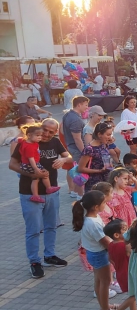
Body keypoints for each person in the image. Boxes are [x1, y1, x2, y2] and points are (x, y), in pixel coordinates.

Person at [10, 118, 71, 278]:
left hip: (52, 191)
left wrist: (64, 159)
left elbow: (69, 156)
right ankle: (34, 262)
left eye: (51, 132)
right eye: (45, 129)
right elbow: (12, 164)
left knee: (51, 226)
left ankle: (49, 255)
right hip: (30, 193)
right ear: (39, 127)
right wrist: (32, 173)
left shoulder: (55, 142)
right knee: (34, 229)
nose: (47, 134)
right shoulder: (26, 142)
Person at [72, 190, 112, 310]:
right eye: (104, 203)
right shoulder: (93, 223)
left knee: (99, 281)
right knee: (106, 282)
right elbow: (105, 241)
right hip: (99, 254)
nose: (106, 204)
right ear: (96, 206)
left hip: (93, 253)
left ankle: (103, 306)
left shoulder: (91, 217)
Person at [105, 219, 137, 310]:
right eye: (125, 230)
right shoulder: (124, 246)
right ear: (117, 234)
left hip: (121, 273)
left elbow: (110, 259)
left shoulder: (112, 244)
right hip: (129, 273)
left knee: (132, 293)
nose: (128, 231)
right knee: (135, 294)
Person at [16, 124, 61, 202]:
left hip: (31, 164)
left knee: (38, 177)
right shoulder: (29, 146)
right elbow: (31, 159)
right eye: (38, 135)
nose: (40, 137)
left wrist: (63, 160)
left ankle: (41, 192)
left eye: (40, 135)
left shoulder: (28, 142)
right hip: (30, 165)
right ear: (29, 135)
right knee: (40, 176)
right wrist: (35, 168)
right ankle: (44, 191)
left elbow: (20, 140)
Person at [79, 122, 113, 192]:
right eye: (108, 135)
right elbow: (81, 168)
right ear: (99, 134)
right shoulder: (89, 149)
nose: (110, 137)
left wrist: (110, 165)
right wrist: (99, 171)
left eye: (110, 134)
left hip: (106, 181)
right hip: (94, 184)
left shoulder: (104, 145)